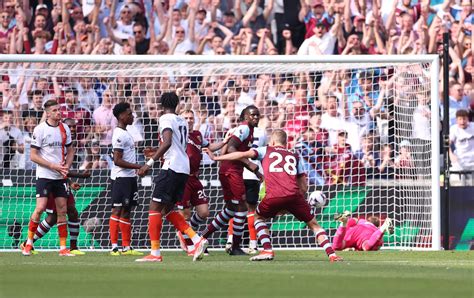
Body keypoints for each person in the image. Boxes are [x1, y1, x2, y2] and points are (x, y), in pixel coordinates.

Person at [205, 129, 343, 262]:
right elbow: (304, 187)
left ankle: (267, 250)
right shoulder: (294, 155)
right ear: (286, 143)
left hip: (273, 196)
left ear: (272, 141)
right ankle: (332, 255)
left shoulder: (266, 150)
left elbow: (241, 155)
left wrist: (217, 157)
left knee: (258, 218)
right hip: (294, 195)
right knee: (314, 225)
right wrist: (292, 204)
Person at [145, 109, 231, 255]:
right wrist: (154, 154)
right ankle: (191, 242)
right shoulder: (176, 133)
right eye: (186, 117)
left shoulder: (197, 135)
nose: (189, 120)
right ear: (180, 118)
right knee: (182, 213)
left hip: (192, 177)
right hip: (180, 174)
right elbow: (166, 144)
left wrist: (224, 142)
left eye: (191, 117)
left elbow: (209, 147)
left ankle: (190, 237)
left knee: (204, 212)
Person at [136, 92, 208, 262]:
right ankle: (196, 240)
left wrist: (149, 162)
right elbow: (174, 144)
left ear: (162, 104)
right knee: (168, 210)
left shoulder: (165, 119)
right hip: (183, 168)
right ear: (176, 105)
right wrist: (155, 150)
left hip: (171, 167)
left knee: (154, 208)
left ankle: (155, 253)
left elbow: (168, 142)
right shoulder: (181, 120)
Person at [20, 118, 90, 255]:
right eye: (71, 127)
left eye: (74, 127)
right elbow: (54, 165)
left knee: (71, 211)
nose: (73, 129)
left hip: (61, 180)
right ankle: (28, 243)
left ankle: (72, 247)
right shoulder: (51, 135)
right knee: (53, 216)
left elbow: (61, 168)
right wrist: (80, 175)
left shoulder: (65, 142)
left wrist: (70, 182)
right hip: (48, 179)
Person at [200, 105, 261, 256]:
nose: (256, 117)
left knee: (231, 209)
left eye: (257, 115)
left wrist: (254, 170)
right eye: (252, 115)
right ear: (245, 117)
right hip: (231, 172)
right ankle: (235, 246)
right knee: (242, 207)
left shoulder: (245, 130)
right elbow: (232, 149)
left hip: (231, 170)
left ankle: (202, 238)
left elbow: (229, 152)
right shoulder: (244, 129)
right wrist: (249, 163)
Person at [22, 100, 75, 256]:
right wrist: (53, 166)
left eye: (59, 109)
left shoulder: (65, 128)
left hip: (60, 177)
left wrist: (67, 167)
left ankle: (63, 248)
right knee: (40, 209)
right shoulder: (40, 130)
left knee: (62, 210)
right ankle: (28, 244)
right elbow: (33, 156)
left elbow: (71, 150)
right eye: (55, 110)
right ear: (48, 113)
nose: (59, 112)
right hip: (45, 175)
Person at [226, 116, 267, 254]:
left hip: (238, 173)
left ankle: (230, 240)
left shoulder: (234, 131)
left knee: (235, 207)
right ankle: (253, 244)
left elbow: (226, 151)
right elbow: (263, 153)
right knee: (251, 210)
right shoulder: (261, 132)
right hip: (253, 173)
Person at [108, 102, 144, 256]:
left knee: (127, 211)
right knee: (117, 209)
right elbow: (117, 160)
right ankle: (114, 247)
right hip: (121, 178)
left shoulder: (126, 132)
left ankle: (126, 247)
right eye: (129, 113)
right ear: (121, 116)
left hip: (129, 178)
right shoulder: (119, 134)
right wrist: (138, 167)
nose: (132, 116)